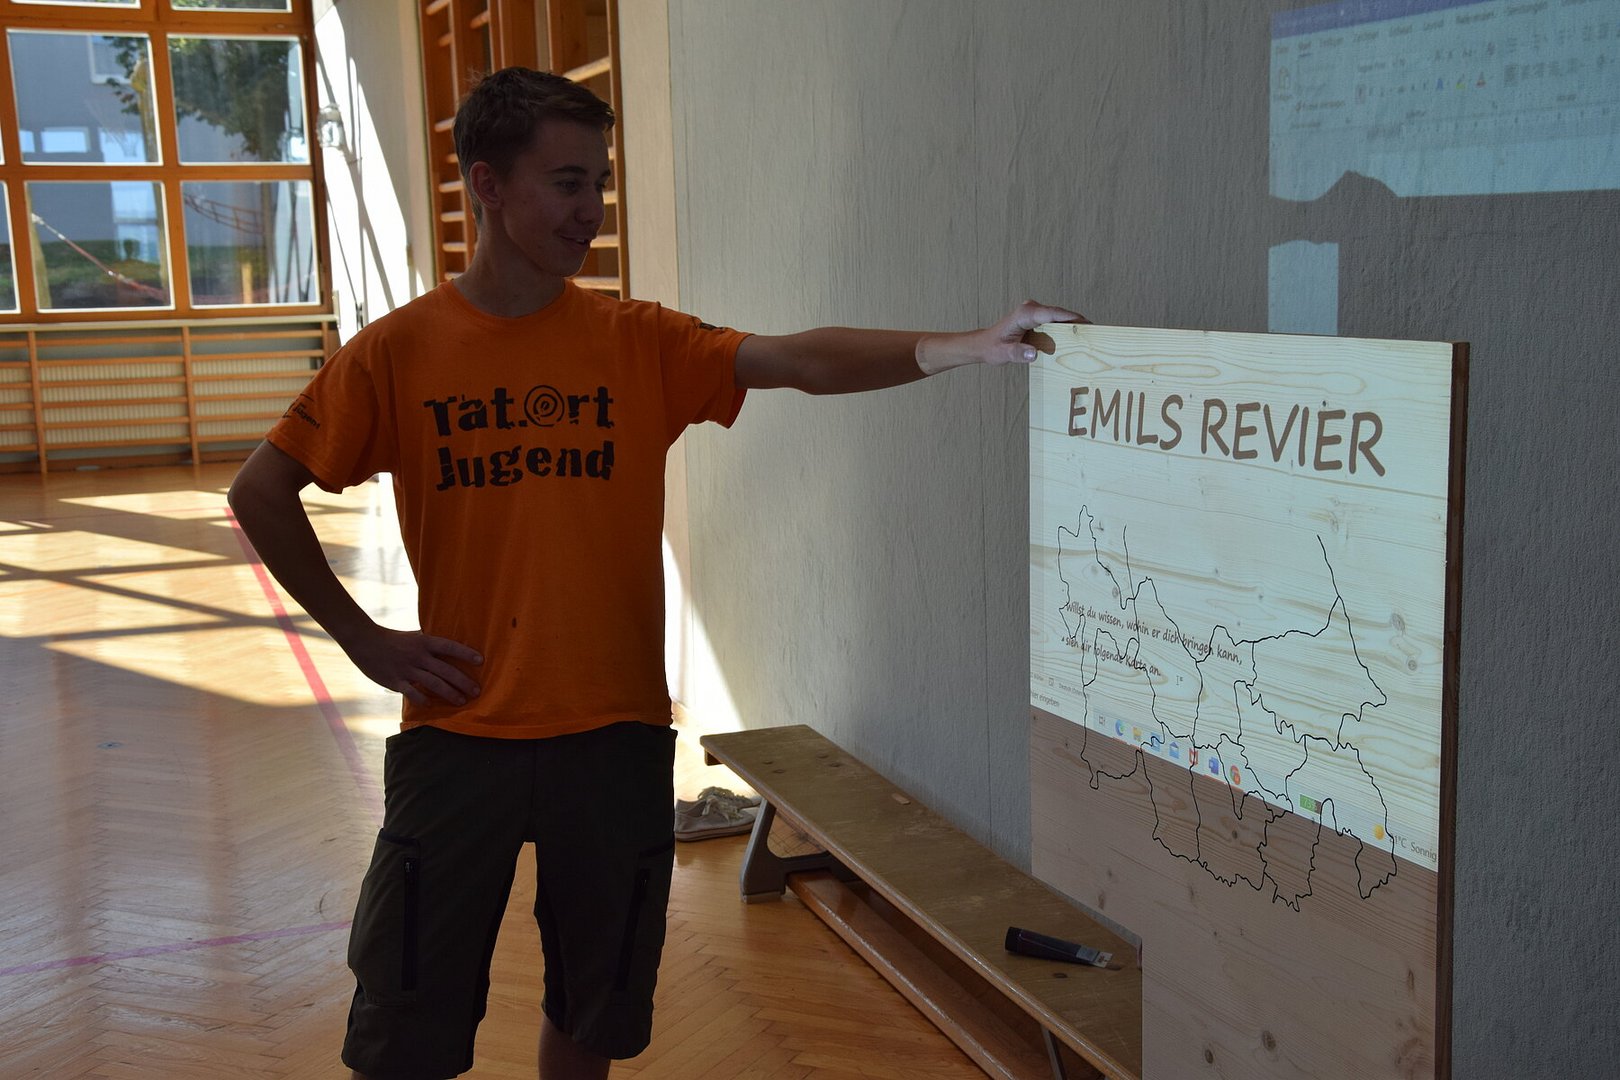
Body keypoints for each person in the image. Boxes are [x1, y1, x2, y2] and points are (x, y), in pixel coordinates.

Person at [228, 66, 1083, 1080]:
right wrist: (363, 639)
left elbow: (797, 361)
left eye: (599, 182)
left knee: (595, 1014)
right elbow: (261, 490)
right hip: (460, 735)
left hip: (615, 736)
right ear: (487, 185)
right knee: (403, 1027)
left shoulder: (634, 341)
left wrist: (968, 346)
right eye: (566, 183)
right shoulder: (397, 354)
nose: (590, 208)